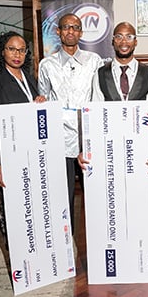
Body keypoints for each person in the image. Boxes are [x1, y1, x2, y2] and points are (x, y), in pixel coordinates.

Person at [83, 21, 148, 279]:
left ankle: (145, 258)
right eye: (119, 36)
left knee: (140, 206)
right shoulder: (100, 73)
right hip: (110, 151)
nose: (124, 41)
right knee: (112, 203)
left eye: (129, 36)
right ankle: (115, 255)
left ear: (135, 41)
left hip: (140, 151)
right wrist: (92, 149)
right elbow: (95, 110)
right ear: (113, 41)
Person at [38, 13, 104, 230]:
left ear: (81, 33)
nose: (70, 31)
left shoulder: (94, 61)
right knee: (63, 196)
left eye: (75, 27)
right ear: (58, 31)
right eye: (66, 27)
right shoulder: (47, 65)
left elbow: (99, 97)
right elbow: (43, 98)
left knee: (95, 195)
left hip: (88, 136)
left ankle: (98, 239)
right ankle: (66, 241)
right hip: (60, 139)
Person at [0, 31, 45, 245]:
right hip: (9, 154)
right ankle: (17, 253)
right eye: (11, 49)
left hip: (32, 152)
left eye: (21, 50)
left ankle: (34, 247)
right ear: (2, 51)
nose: (17, 54)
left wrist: (40, 102)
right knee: (14, 208)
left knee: (33, 204)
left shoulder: (29, 77)